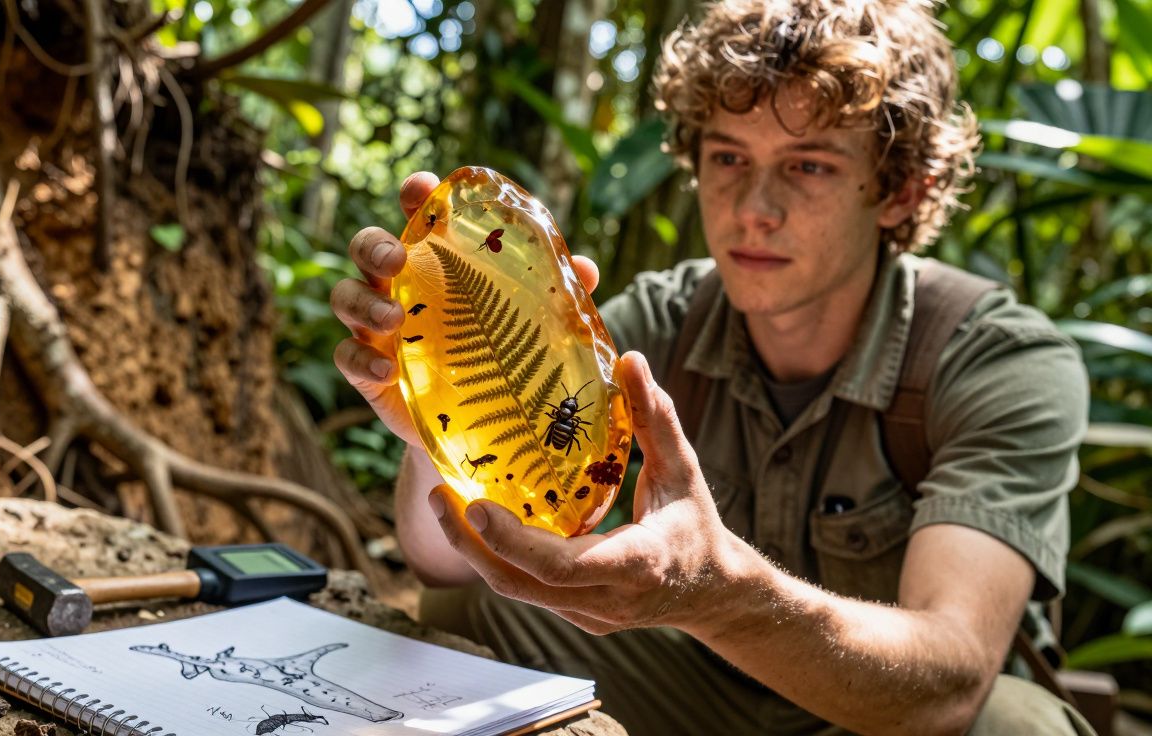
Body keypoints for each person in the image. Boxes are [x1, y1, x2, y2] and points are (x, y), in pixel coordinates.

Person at [331, 0, 1093, 732]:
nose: (754, 206)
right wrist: (434, 414)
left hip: (885, 714)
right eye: (729, 156)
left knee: (1017, 724)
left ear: (900, 191)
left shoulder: (995, 359)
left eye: (811, 166)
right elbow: (445, 567)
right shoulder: (658, 323)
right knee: (471, 611)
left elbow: (951, 681)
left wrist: (717, 596)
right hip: (695, 692)